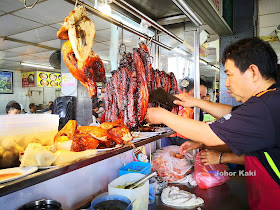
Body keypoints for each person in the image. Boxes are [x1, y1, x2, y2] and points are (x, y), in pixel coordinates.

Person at [145, 37, 280, 209]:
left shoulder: (265, 107)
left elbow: (210, 133)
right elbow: (232, 113)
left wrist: (163, 116)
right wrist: (196, 102)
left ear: (253, 72)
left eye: (230, 75)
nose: (227, 83)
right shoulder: (269, 100)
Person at [163, 77, 207, 146]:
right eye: (196, 95)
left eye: (202, 97)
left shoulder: (198, 111)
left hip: (187, 139)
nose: (199, 100)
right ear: (185, 90)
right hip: (168, 137)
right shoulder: (174, 100)